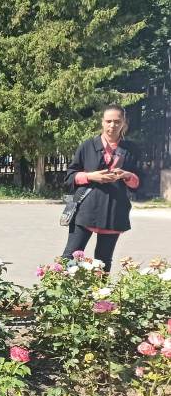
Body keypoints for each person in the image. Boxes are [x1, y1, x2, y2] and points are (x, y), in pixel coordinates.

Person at [60, 104, 139, 271]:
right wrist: (90, 176)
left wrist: (126, 175)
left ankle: (99, 296)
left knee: (103, 261)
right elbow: (69, 177)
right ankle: (63, 295)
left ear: (124, 123)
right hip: (86, 208)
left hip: (114, 210)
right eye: (108, 121)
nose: (113, 125)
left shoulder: (131, 150)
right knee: (70, 256)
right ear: (102, 122)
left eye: (117, 121)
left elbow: (139, 183)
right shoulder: (87, 146)